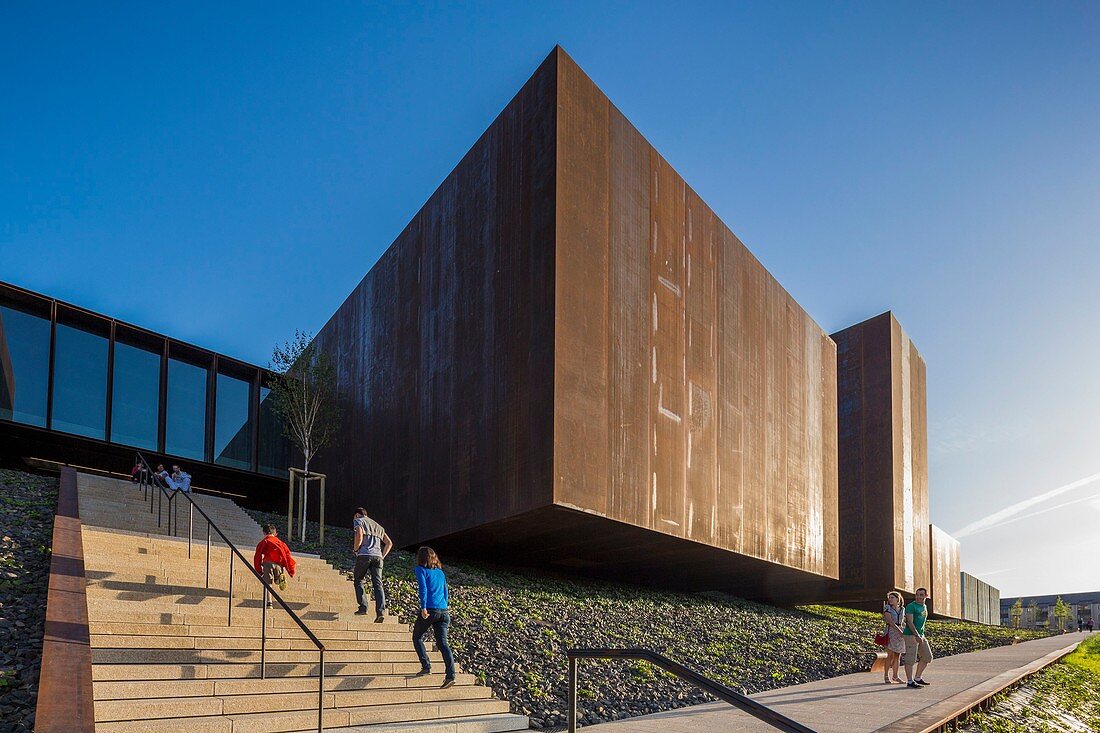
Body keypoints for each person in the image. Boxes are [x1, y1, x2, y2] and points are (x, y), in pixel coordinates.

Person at [412, 546, 456, 688]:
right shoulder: (440, 573)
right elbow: (445, 591)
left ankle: (426, 666)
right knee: (443, 644)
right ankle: (451, 675)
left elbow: (423, 589)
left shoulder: (420, 570)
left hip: (430, 609)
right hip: (443, 611)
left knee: (417, 637)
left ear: (421, 558)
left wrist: (423, 607)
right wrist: (445, 606)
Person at [352, 507, 393, 622]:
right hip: (378, 557)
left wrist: (356, 549)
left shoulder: (359, 521)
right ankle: (380, 612)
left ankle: (363, 607)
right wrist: (382, 556)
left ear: (357, 515)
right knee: (378, 584)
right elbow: (389, 543)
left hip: (364, 555)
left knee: (358, 580)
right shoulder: (378, 526)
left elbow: (359, 534)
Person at [253, 523, 296, 609]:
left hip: (267, 564)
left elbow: (257, 556)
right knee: (276, 578)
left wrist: (258, 571)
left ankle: (269, 603)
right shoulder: (281, 543)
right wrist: (291, 570)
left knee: (268, 583)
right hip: (279, 565)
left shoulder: (264, 542)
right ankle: (278, 578)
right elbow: (287, 556)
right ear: (275, 534)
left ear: (264, 533)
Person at [903, 587, 933, 689]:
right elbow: (910, 622)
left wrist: (921, 635)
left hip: (921, 635)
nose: (918, 597)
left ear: (926, 596)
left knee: (927, 657)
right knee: (910, 659)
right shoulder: (911, 606)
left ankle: (917, 678)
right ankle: (910, 681)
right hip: (911, 635)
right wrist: (917, 635)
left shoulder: (924, 606)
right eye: (917, 594)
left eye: (921, 595)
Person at [882, 591, 906, 684]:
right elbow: (890, 621)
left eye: (892, 597)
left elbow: (903, 621)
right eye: (890, 597)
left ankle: (896, 676)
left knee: (897, 655)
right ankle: (886, 675)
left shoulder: (902, 609)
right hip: (891, 631)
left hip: (900, 633)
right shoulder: (887, 608)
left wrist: (903, 632)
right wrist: (900, 631)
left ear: (898, 599)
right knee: (890, 655)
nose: (890, 599)